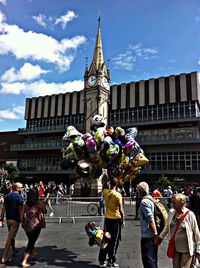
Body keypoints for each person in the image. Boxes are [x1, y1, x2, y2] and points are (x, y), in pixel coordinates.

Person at [157, 193, 200, 268]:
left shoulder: (190, 214)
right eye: (171, 202)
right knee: (175, 266)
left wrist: (198, 249)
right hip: (175, 248)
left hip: (187, 249)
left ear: (182, 204)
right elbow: (167, 227)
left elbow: (196, 232)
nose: (172, 204)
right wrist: (160, 237)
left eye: (174, 202)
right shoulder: (171, 212)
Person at [98, 175, 125, 268]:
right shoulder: (118, 195)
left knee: (105, 239)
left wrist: (105, 179)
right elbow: (121, 209)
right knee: (114, 241)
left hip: (107, 219)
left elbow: (104, 186)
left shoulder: (105, 192)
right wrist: (123, 219)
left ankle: (102, 260)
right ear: (116, 184)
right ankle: (111, 261)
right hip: (115, 220)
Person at [21, 187, 47, 267]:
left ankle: (33, 253)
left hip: (27, 225)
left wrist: (23, 222)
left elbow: (22, 215)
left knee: (31, 240)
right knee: (31, 242)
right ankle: (24, 261)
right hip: (36, 225)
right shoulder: (39, 203)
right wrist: (43, 206)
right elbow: (45, 211)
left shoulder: (26, 204)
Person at [0, 182, 24, 264]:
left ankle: (14, 250)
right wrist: (22, 220)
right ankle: (4, 256)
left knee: (11, 235)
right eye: (21, 187)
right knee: (10, 237)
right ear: (17, 188)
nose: (22, 188)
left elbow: (3, 209)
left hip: (8, 219)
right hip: (15, 220)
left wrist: (1, 219)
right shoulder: (20, 197)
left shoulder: (7, 197)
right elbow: (21, 211)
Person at [137, 181, 158, 268]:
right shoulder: (151, 199)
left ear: (141, 191)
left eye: (138, 190)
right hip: (152, 234)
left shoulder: (144, 202)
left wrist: (155, 233)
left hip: (148, 234)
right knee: (153, 258)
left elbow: (150, 219)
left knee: (148, 260)